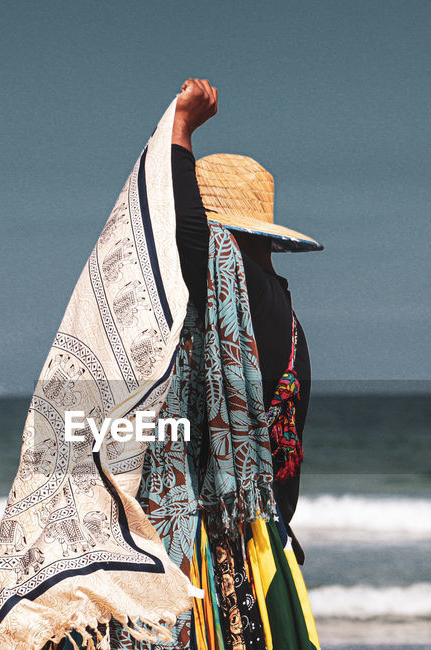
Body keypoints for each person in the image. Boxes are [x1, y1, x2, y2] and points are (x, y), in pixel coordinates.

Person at [170, 78, 319, 561]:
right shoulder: (275, 310)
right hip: (266, 540)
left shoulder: (249, 290)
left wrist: (182, 128)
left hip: (242, 548)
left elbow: (191, 234)